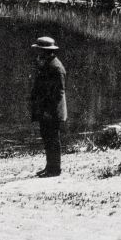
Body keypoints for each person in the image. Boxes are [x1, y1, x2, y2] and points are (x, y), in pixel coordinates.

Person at [29, 36, 68, 177]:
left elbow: (58, 93)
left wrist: (48, 111)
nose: (37, 52)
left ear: (46, 51)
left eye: (39, 50)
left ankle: (55, 169)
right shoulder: (47, 64)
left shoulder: (56, 67)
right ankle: (49, 167)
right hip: (47, 110)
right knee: (47, 138)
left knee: (53, 139)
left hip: (52, 111)